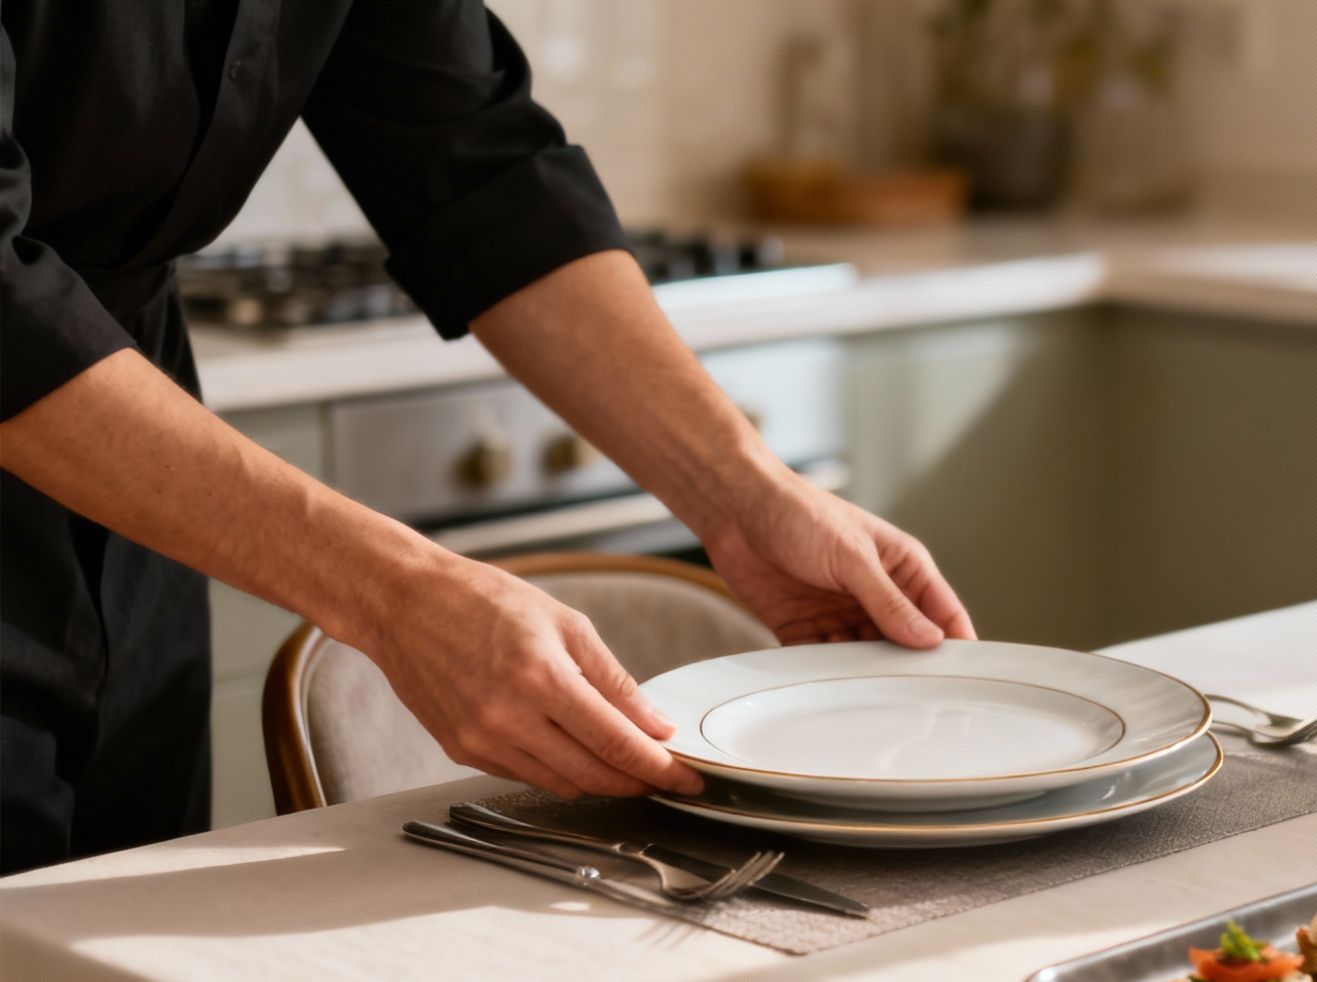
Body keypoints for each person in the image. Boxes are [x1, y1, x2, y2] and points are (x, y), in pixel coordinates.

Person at [0, 1, 975, 874]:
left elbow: (477, 164)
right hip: (57, 425)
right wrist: (394, 595)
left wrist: (743, 491)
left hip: (144, 496)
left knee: (111, 957)